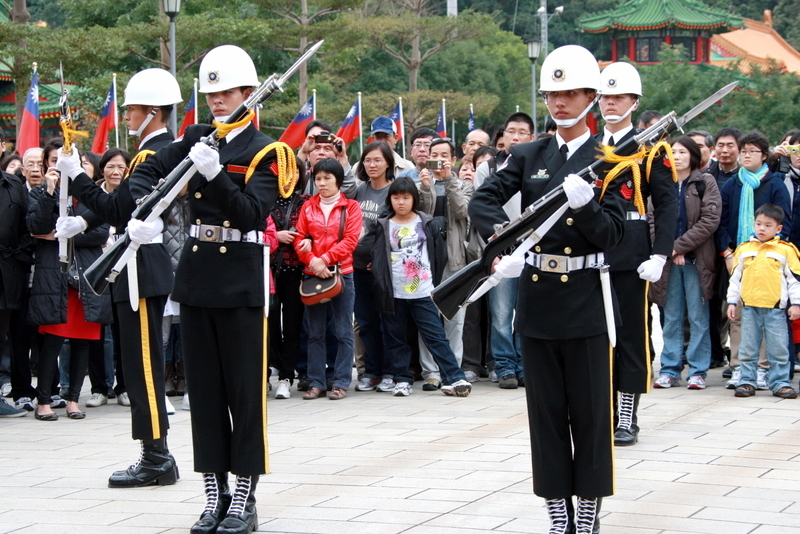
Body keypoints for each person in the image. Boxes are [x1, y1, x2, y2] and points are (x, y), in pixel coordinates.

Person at [125, 45, 287, 534]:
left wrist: (215, 174)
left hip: (240, 280)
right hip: (196, 277)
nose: (218, 100)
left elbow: (249, 215)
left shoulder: (269, 151)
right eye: (212, 92)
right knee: (206, 394)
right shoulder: (198, 136)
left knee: (243, 391)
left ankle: (244, 495)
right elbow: (151, 168)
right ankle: (213, 491)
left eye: (228, 92)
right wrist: (143, 209)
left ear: (248, 95)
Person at [469, 44, 625, 533]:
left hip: (586, 296)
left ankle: (589, 510)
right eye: (552, 93)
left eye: (570, 92)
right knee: (547, 414)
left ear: (591, 98)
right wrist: (501, 246)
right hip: (538, 294)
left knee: (591, 413)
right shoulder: (527, 153)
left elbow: (615, 237)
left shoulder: (613, 158)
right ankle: (558, 511)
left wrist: (587, 207)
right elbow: (483, 200)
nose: (559, 102)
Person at [57, 68, 182, 488]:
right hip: (136, 269)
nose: (126, 115)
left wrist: (77, 178)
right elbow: (121, 203)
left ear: (152, 112)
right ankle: (154, 452)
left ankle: (157, 457)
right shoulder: (154, 150)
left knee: (143, 365)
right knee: (138, 361)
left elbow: (120, 208)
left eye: (132, 109)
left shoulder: (153, 153)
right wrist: (80, 217)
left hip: (141, 271)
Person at [596, 61, 677, 447]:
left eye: (619, 97)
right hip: (590, 254)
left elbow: (667, 205)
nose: (611, 103)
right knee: (595, 339)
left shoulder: (651, 148)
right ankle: (599, 412)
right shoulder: (588, 149)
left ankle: (627, 416)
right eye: (606, 97)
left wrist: (660, 254)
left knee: (631, 337)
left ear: (634, 101)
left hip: (631, 254)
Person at [27, 155, 112, 421]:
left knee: (83, 341)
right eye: (53, 160)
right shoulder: (42, 192)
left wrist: (64, 233)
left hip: (86, 277)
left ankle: (74, 399)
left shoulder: (90, 195)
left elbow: (101, 233)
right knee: (52, 341)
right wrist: (50, 192)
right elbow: (37, 227)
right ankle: (43, 401)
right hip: (55, 275)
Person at [371, 176, 471, 397]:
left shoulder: (427, 222)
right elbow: (375, 253)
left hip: (423, 291)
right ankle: (402, 379)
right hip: (393, 291)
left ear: (414, 199)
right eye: (396, 197)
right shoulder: (383, 224)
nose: (401, 202)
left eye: (406, 197)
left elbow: (439, 254)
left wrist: (432, 280)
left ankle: (454, 377)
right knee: (396, 338)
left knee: (435, 336)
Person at [717, 131, 791, 390]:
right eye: (744, 151)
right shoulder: (732, 184)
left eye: (752, 151)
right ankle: (739, 367)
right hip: (739, 256)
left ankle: (762, 367)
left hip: (769, 259)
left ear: (764, 155)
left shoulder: (775, 184)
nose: (746, 155)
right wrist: (727, 253)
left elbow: (786, 223)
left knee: (766, 312)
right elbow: (721, 223)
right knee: (737, 311)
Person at [651, 137, 721, 390]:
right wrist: (666, 250)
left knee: (698, 316)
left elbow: (710, 220)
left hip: (697, 260)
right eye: (673, 152)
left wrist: (678, 247)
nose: (677, 156)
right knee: (670, 317)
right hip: (667, 262)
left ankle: (698, 370)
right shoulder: (661, 182)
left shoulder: (705, 181)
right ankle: (670, 369)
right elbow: (651, 219)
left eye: (682, 152)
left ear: (693, 155)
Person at [472, 113, 534, 390]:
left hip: (533, 248)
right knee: (501, 313)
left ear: (531, 138)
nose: (517, 137)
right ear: (502, 137)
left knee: (528, 312)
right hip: (502, 249)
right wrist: (496, 247)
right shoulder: (488, 169)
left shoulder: (538, 165)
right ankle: (505, 366)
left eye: (522, 132)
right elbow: (481, 207)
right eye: (511, 131)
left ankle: (525, 364)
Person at [295, 158, 362, 400]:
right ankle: (316, 382)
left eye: (327, 178)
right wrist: (313, 260)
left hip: (342, 274)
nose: (321, 183)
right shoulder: (308, 207)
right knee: (315, 332)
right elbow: (299, 238)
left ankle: (341, 381)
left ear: (338, 181)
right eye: (318, 178)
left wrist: (323, 259)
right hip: (313, 274)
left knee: (343, 331)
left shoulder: (351, 207)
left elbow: (351, 241)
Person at [727, 204, 800, 399]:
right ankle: (747, 381)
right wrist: (732, 302)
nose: (761, 228)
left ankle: (780, 383)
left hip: (776, 308)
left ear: (778, 229)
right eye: (759, 223)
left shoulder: (787, 250)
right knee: (748, 346)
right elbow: (735, 279)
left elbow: (795, 279)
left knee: (778, 347)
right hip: (750, 306)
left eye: (768, 225)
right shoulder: (744, 249)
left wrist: (796, 304)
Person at [418, 138, 475, 383]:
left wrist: (449, 179)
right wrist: (425, 187)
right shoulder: (421, 184)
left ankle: (453, 370)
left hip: (455, 259)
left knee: (455, 317)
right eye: (434, 154)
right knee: (427, 315)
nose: (439, 159)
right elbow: (421, 215)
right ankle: (430, 372)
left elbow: (462, 211)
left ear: (453, 160)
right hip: (425, 259)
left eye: (444, 155)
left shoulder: (464, 185)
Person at [352, 142, 395, 393]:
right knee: (365, 322)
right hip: (357, 268)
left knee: (386, 321)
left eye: (377, 160)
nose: (372, 165)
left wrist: (379, 260)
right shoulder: (360, 190)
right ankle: (371, 371)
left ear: (388, 162)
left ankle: (389, 371)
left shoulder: (394, 191)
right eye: (367, 160)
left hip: (383, 270)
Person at [269, 161, 310, 400]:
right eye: (286, 171)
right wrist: (277, 235)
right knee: (270, 324)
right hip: (269, 271)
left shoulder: (305, 202)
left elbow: (311, 232)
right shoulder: (265, 199)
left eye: (295, 171)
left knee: (294, 326)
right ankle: (267, 374)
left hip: (296, 271)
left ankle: (286, 377)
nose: (290, 176)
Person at [0, 163, 33, 418]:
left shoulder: (14, 185)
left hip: (7, 271)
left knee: (2, 335)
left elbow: (26, 228)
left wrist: (17, 258)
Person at [296, 119, 356, 197]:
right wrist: (303, 152)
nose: (321, 152)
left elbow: (349, 192)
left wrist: (342, 156)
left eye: (327, 148)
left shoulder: (340, 177)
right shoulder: (302, 176)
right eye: (316, 148)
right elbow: (287, 185)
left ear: (336, 156)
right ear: (308, 155)